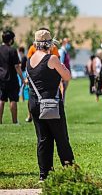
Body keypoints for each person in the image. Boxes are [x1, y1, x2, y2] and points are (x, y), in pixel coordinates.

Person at [26, 29, 74, 181]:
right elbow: (67, 76)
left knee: (43, 139)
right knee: (61, 138)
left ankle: (44, 174)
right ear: (49, 44)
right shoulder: (51, 58)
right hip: (51, 104)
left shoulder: (30, 60)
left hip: (35, 103)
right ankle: (70, 171)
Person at [0, 30, 24, 124]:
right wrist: (22, 79)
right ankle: (14, 121)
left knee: (1, 99)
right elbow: (17, 66)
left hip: (1, 78)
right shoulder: (12, 50)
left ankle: (0, 122)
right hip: (11, 78)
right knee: (13, 100)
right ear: (10, 40)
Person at [18, 46, 31, 122]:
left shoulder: (23, 58)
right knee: (22, 87)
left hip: (23, 73)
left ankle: (22, 98)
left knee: (22, 86)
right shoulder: (24, 57)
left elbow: (22, 66)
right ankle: (22, 98)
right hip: (23, 73)